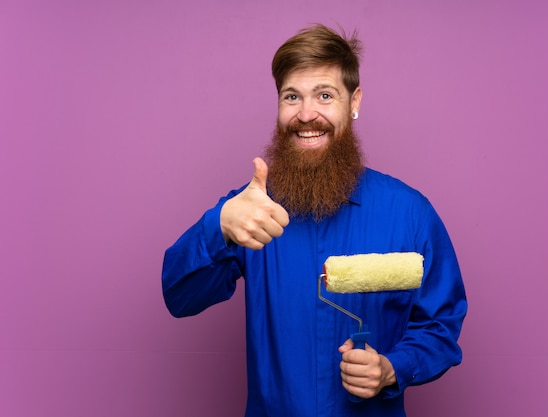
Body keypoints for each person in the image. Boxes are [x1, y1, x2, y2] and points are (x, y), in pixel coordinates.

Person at [162, 24, 467, 417]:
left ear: (354, 102)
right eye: (292, 97)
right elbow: (178, 297)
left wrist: (393, 368)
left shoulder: (410, 213)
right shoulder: (252, 211)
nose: (306, 115)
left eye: (325, 95)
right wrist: (217, 226)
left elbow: (442, 327)